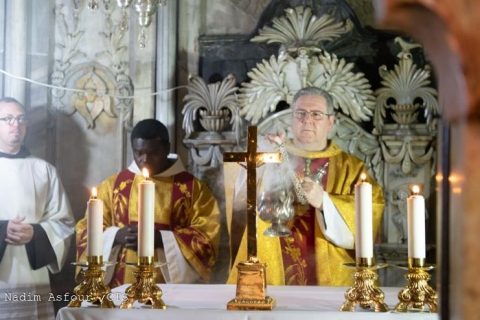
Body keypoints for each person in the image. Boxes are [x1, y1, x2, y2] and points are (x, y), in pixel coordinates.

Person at [228, 87, 384, 286]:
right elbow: (242, 203)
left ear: (330, 122)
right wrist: (258, 162)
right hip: (272, 267)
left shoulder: (352, 168)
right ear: (291, 119)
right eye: (300, 113)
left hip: (333, 273)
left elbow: (372, 213)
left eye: (316, 114)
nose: (307, 120)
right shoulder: (272, 155)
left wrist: (325, 203)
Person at [76, 119, 220, 287]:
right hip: (119, 289)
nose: (145, 159)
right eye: (139, 153)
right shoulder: (112, 186)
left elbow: (207, 236)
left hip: (169, 290)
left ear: (167, 148)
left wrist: (162, 239)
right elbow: (85, 230)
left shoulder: (193, 189)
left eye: (153, 153)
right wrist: (115, 236)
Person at [0, 97, 75, 319]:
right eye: (8, 119)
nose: (16, 125)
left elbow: (64, 222)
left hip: (32, 276)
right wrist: (3, 230)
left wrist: (37, 233)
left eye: (21, 119)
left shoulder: (44, 170)